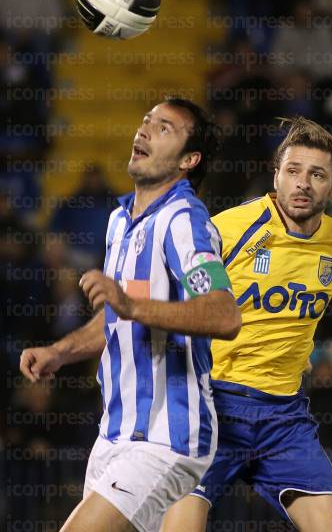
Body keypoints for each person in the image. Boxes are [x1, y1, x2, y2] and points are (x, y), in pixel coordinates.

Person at [19, 97, 242, 532]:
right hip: (114, 435)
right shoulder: (120, 222)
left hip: (166, 437)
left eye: (164, 128)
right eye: (146, 121)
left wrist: (130, 304)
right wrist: (61, 352)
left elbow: (224, 314)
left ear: (188, 160)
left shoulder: (184, 220)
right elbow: (118, 319)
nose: (144, 130)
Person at [162, 116, 332, 532]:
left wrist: (295, 354)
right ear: (276, 176)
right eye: (293, 171)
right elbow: (172, 297)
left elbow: (293, 317)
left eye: (317, 175)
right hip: (213, 406)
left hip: (284, 418)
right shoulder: (229, 228)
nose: (303, 183)